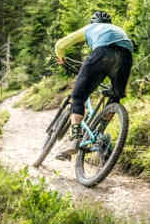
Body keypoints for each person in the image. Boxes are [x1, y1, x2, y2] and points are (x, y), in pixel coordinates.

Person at [53, 10, 135, 160]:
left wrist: (61, 58)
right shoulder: (118, 29)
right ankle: (100, 133)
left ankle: (74, 140)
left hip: (102, 53)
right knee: (115, 96)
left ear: (93, 22)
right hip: (126, 56)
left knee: (78, 97)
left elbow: (61, 44)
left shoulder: (90, 28)